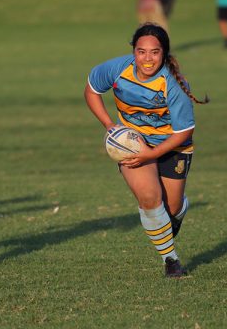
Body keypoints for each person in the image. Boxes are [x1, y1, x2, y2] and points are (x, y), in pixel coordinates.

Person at [84, 23, 208, 277]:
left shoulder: (173, 84)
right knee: (150, 198)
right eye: (141, 52)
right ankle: (171, 261)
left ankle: (178, 211)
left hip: (174, 146)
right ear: (134, 51)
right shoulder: (118, 69)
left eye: (155, 52)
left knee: (170, 210)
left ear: (164, 53)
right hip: (135, 143)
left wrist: (152, 154)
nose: (147, 58)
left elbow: (184, 132)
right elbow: (92, 90)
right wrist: (110, 126)